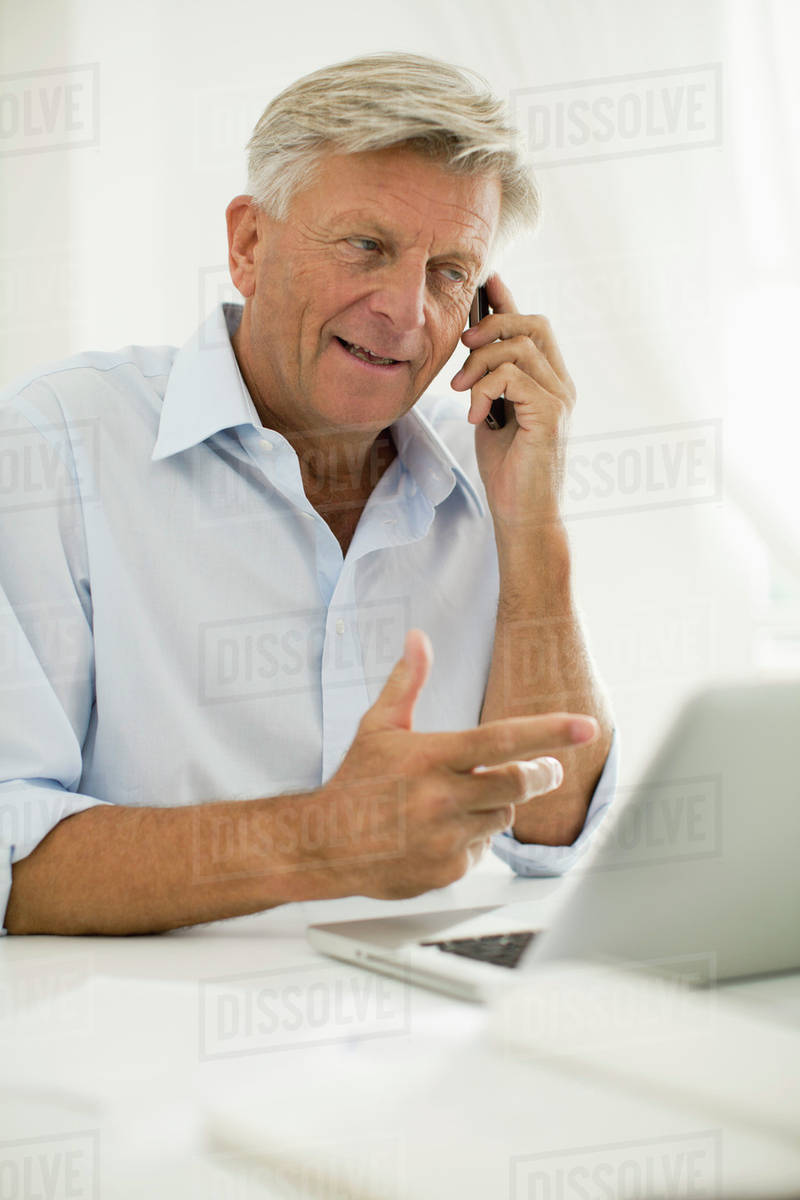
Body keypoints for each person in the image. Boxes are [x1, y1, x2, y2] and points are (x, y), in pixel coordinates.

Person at [0, 53, 616, 936]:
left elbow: (547, 831)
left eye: (449, 272)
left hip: (419, 1012)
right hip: (143, 1021)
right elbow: (9, 855)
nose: (405, 312)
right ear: (249, 245)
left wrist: (534, 526)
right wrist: (322, 842)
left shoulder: (486, 463)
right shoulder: (52, 445)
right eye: (367, 246)